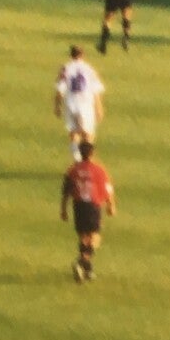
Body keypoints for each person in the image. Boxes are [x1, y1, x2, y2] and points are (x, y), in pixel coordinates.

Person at [59, 140, 117, 284]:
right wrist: (111, 205)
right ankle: (81, 262)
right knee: (95, 238)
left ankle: (87, 269)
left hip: (78, 206)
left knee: (83, 237)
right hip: (93, 205)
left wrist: (63, 209)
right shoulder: (99, 170)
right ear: (92, 153)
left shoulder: (73, 170)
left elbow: (66, 191)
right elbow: (108, 188)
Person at [54, 43, 105, 153]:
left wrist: (57, 106)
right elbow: (96, 91)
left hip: (71, 104)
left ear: (71, 55)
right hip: (86, 104)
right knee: (88, 134)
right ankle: (87, 159)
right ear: (83, 55)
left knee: (74, 134)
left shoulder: (65, 69)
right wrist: (99, 108)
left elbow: (60, 90)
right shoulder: (90, 69)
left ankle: (77, 159)